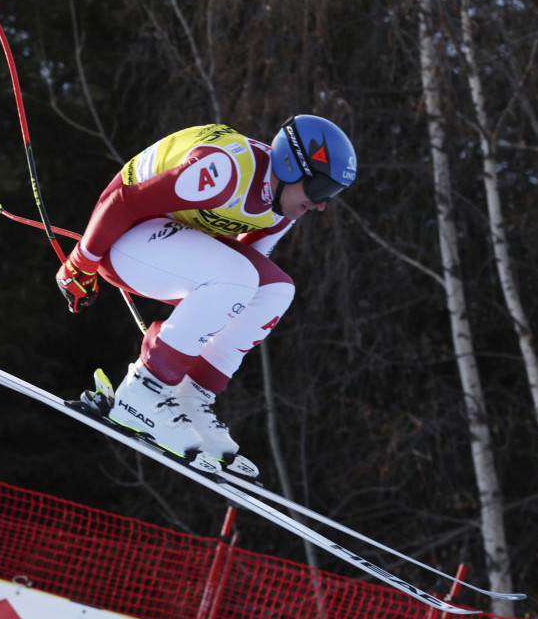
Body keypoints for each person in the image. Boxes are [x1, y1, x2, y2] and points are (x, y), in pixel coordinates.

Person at [55, 115, 356, 477]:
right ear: (291, 166)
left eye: (332, 194)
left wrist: (199, 326)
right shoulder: (227, 169)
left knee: (274, 291)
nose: (322, 205)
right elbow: (124, 201)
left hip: (166, 242)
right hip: (121, 235)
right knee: (239, 278)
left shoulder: (281, 211)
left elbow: (242, 280)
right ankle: (143, 393)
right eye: (321, 189)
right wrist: (80, 263)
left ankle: (190, 397)